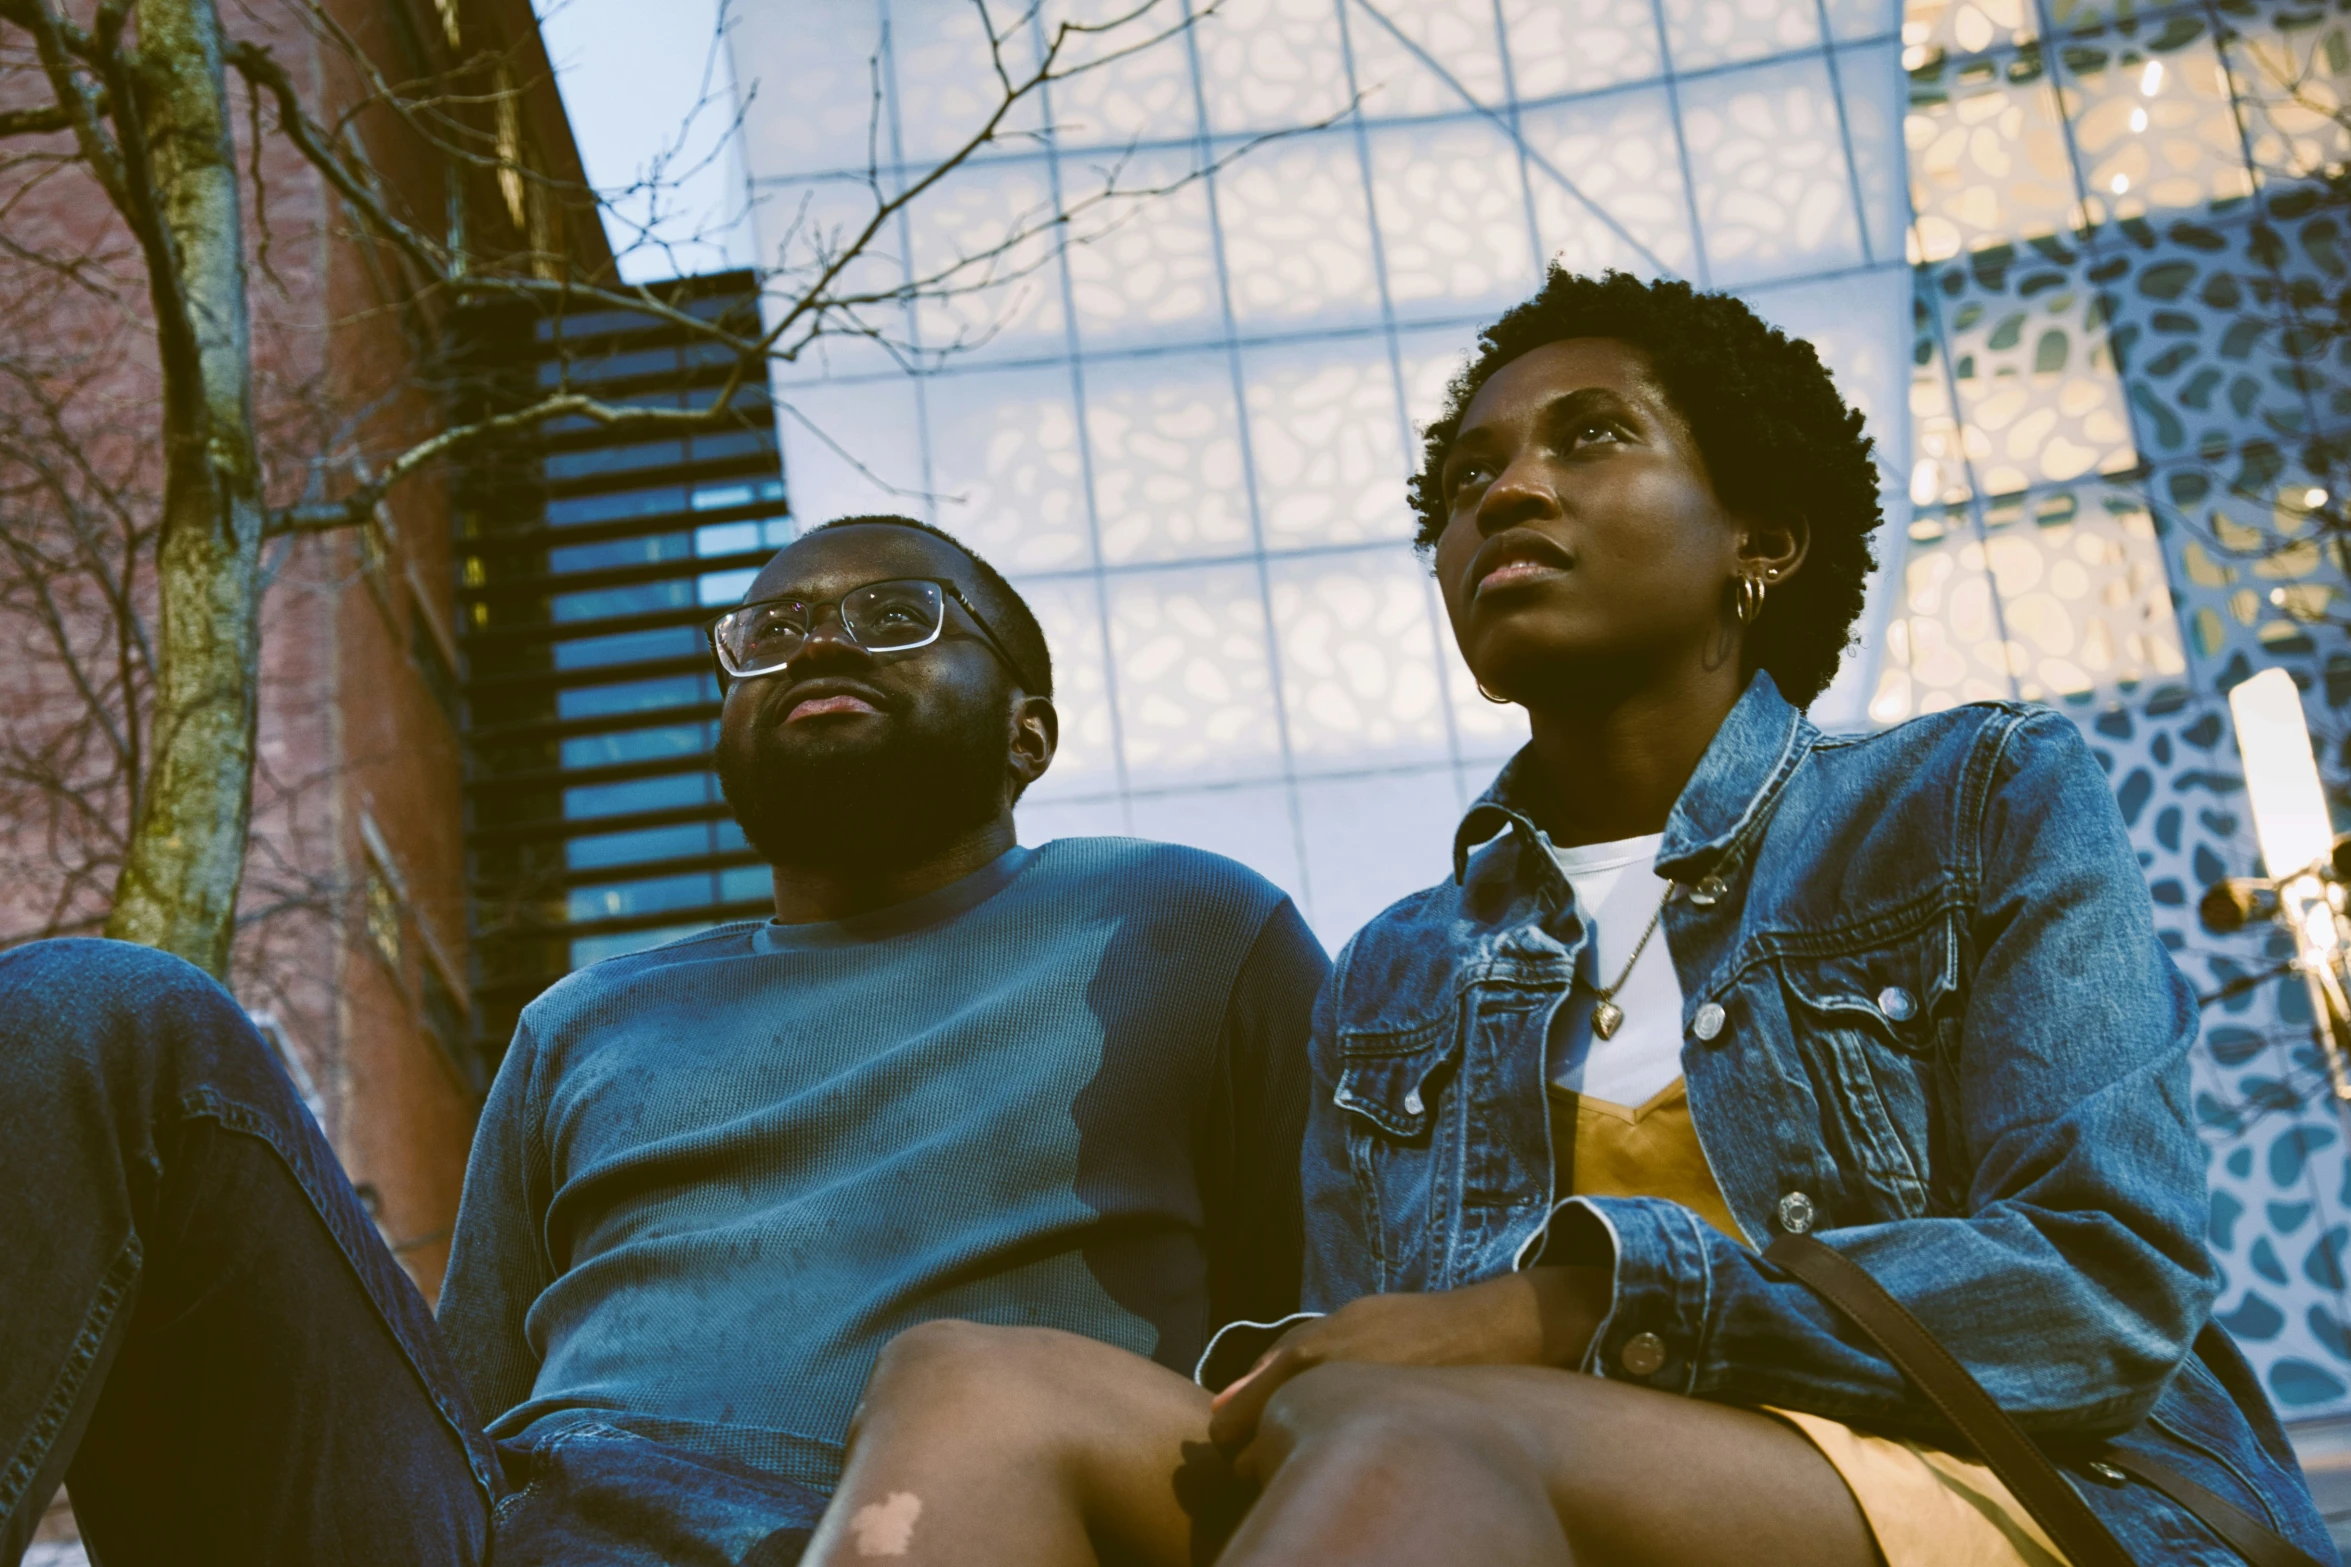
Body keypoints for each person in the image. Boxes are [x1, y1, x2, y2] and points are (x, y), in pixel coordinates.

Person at [800, 272, 2334, 1567]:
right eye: (1467, 480)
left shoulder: (1967, 797)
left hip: (2019, 1493)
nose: (1506, 491)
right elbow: (1358, 1362)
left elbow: (2098, 1287)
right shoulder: (1400, 969)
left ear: (1762, 539)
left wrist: (1560, 1311)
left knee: (1409, 1418)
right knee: (972, 1384)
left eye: (1590, 438)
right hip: (1487, 1472)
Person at [0, 515, 1326, 1567]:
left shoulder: (1182, 923)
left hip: (868, 1508)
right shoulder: (583, 1017)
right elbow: (454, 1404)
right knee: (97, 1007)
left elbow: (1325, 1332)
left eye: (892, 615)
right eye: (774, 629)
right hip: (504, 1514)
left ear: (1026, 729)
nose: (818, 644)